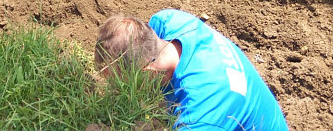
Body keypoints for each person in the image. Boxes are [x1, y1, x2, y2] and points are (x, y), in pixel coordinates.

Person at [95, 9, 288, 131]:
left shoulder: (200, 116)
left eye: (121, 83)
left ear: (149, 73)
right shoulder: (169, 22)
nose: (115, 89)